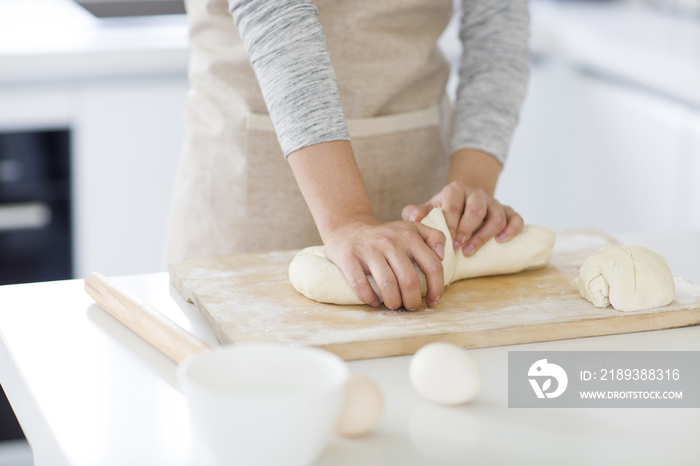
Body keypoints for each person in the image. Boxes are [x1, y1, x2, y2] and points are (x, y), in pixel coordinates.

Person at [164, 0, 530, 311]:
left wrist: (466, 200)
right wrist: (346, 218)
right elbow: (275, 15)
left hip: (419, 185)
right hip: (252, 197)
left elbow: (497, 27)